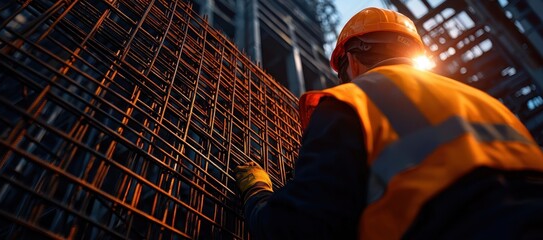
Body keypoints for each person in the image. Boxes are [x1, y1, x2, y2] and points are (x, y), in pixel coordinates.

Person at [233, 7, 543, 239]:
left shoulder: (354, 101)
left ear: (351, 61)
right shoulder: (484, 102)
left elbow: (298, 229)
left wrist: (258, 195)